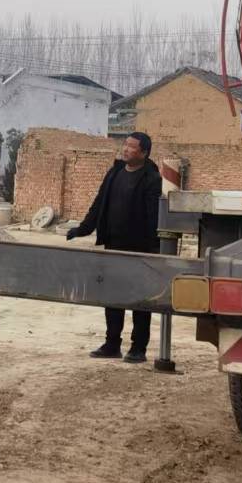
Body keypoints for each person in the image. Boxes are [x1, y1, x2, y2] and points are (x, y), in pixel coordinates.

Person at [66, 132, 161, 362]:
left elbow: (154, 216)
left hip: (140, 250)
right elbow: (99, 203)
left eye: (132, 146)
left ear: (144, 152)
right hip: (114, 245)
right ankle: (112, 344)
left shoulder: (151, 178)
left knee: (140, 299)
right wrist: (83, 229)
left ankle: (138, 348)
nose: (126, 149)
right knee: (113, 297)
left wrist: (155, 248)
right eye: (125, 144)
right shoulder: (115, 172)